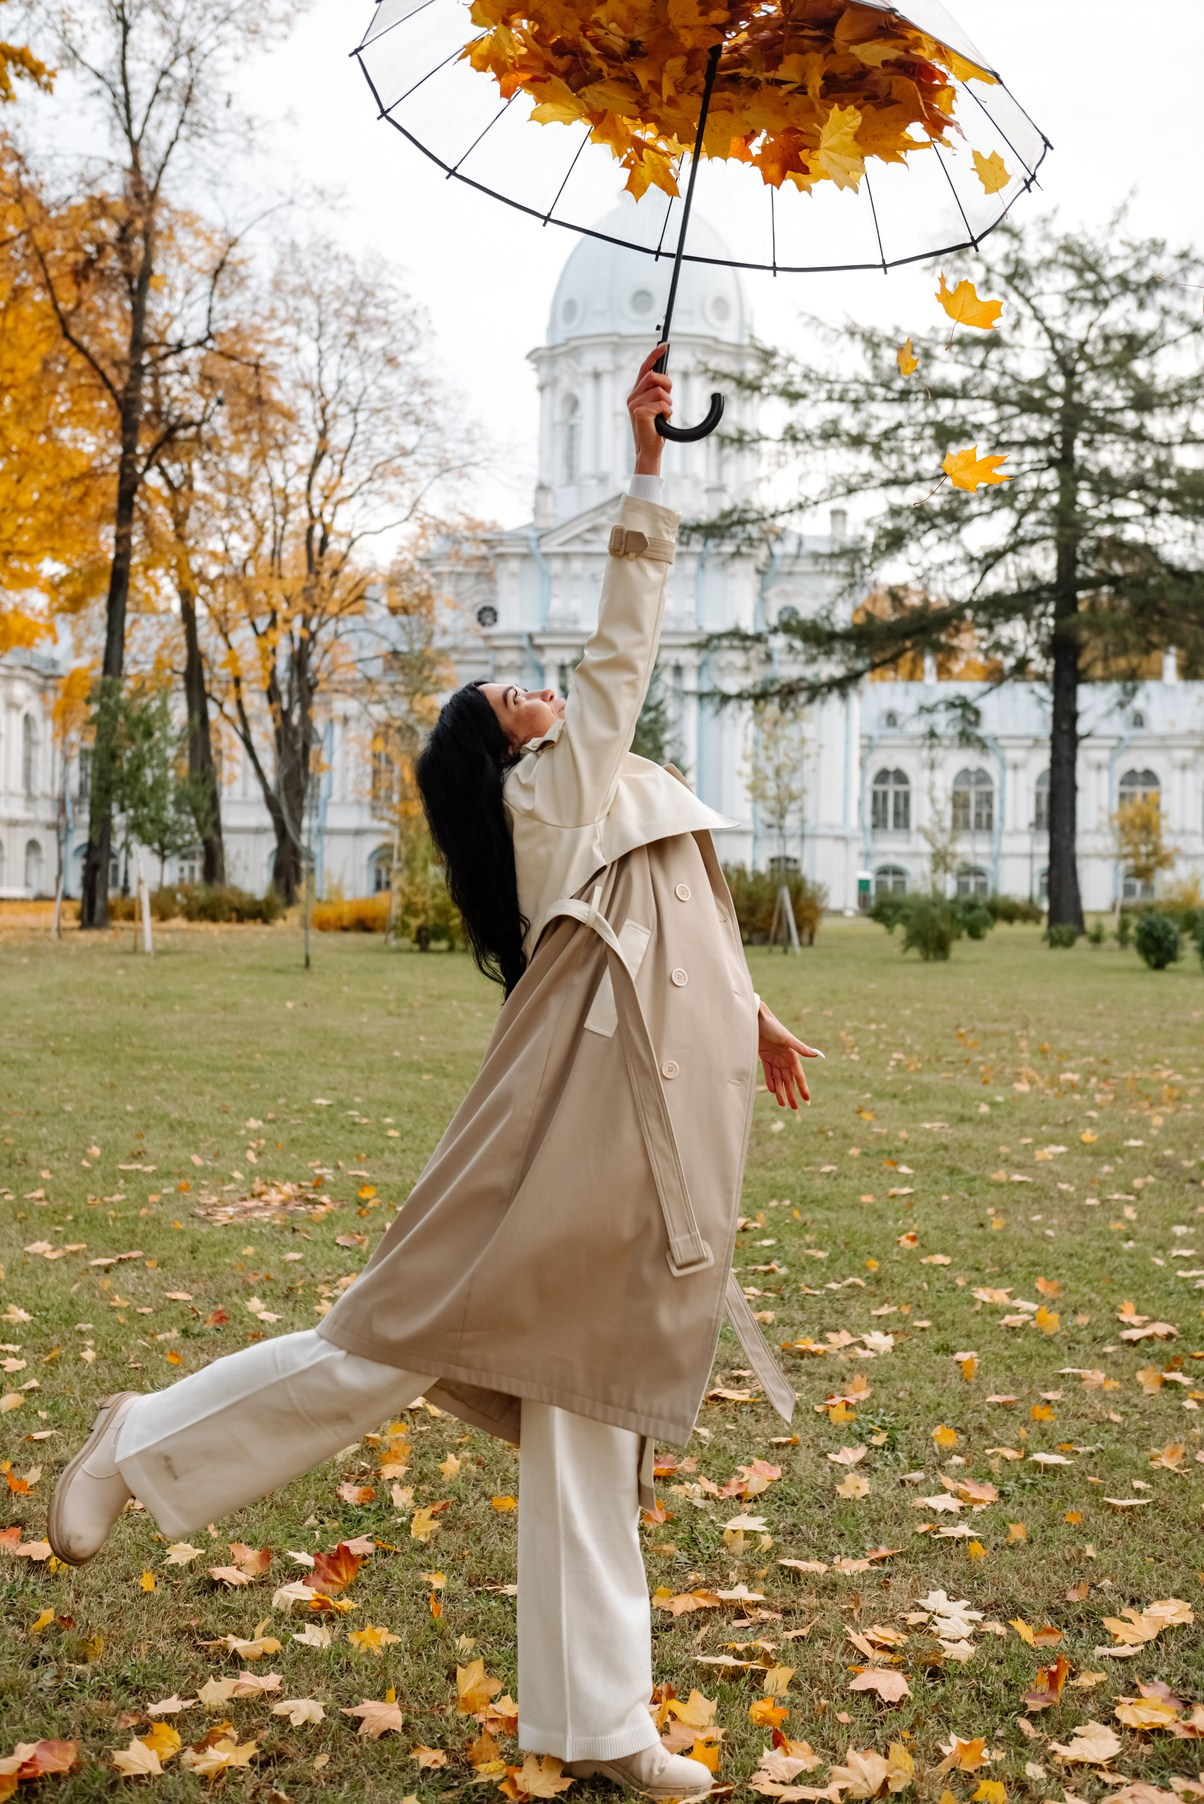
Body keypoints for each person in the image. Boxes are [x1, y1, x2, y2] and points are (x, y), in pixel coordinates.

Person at [48, 345, 822, 1799]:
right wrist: (650, 473)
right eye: (508, 693)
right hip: (564, 1144)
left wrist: (759, 1013)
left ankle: (596, 1726)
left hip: (636, 1135)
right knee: (385, 1344)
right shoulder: (552, 788)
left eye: (528, 686)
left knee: (592, 1414)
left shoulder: (602, 800)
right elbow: (624, 649)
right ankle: (140, 1445)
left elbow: (668, 931)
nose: (535, 690)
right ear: (500, 751)